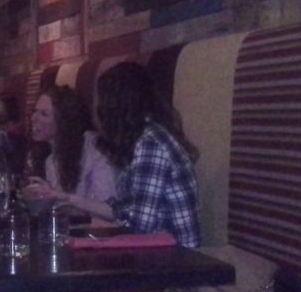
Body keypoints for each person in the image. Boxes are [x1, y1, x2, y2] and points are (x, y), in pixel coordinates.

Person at [49, 62, 201, 248]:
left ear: (116, 104)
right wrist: (68, 198)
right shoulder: (144, 138)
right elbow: (123, 208)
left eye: (101, 99)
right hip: (159, 253)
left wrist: (96, 231)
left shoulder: (151, 144)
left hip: (180, 261)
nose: (97, 106)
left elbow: (140, 225)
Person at [23, 85, 117, 202]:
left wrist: (55, 197)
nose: (33, 118)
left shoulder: (93, 148)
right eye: (35, 111)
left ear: (64, 120)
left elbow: (107, 207)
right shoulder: (44, 154)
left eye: (44, 114)